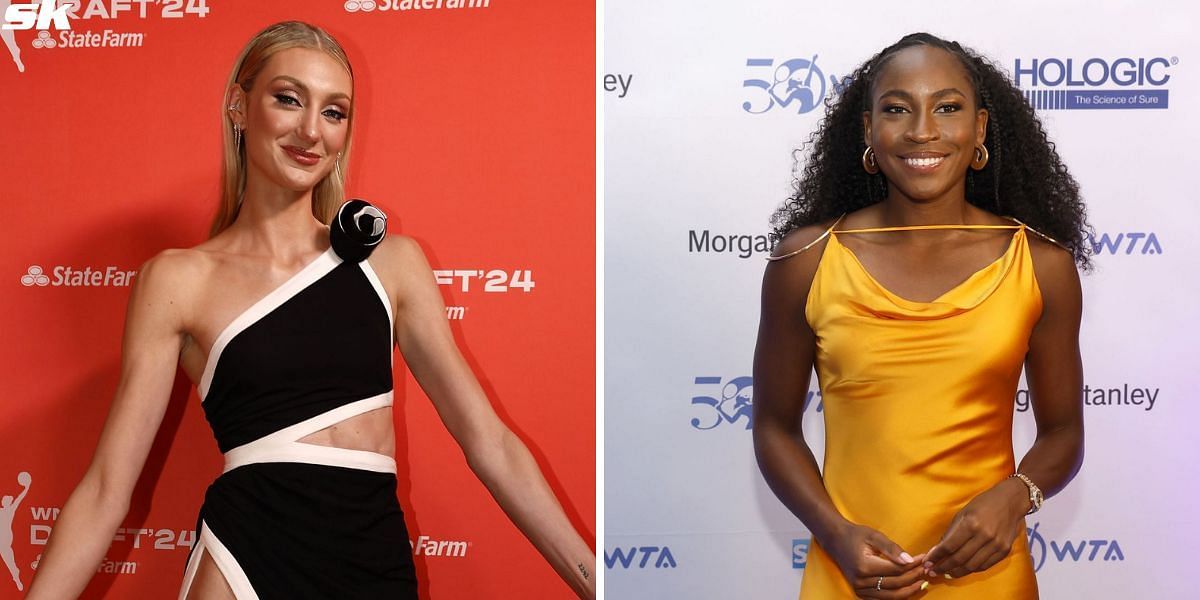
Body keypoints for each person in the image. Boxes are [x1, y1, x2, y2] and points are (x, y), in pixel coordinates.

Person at [25, 21, 595, 600]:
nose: (310, 131)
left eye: (334, 111)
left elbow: (489, 444)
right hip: (243, 559)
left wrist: (594, 580)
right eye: (288, 99)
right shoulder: (178, 279)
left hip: (372, 556)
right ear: (239, 107)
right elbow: (105, 490)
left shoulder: (390, 263)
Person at [753, 33, 1086, 599]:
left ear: (979, 129)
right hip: (850, 575)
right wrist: (835, 535)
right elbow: (773, 428)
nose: (922, 131)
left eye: (947, 108)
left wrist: (1016, 494)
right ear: (867, 130)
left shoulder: (1041, 264)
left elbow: (1063, 433)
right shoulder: (806, 260)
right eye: (897, 108)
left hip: (988, 577)